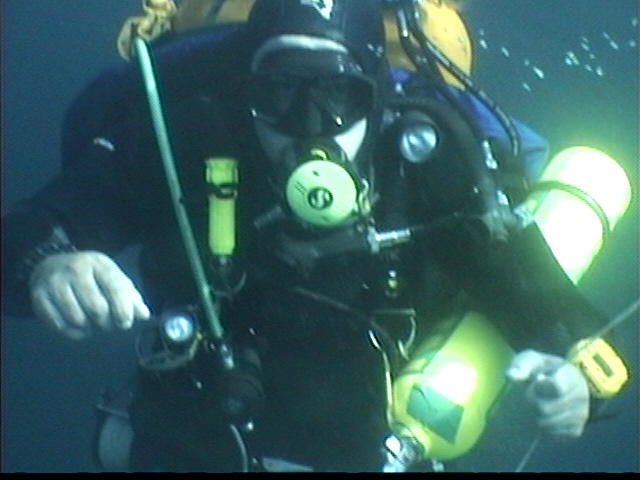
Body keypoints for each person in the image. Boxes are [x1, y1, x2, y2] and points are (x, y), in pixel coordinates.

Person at [1, 0, 628, 472]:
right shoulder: (188, 142)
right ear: (244, 92)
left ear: (377, 98)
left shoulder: (425, 161)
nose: (309, 128)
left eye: (338, 94)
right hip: (198, 440)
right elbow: (27, 230)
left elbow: (556, 312)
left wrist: (580, 389)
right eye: (279, 92)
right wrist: (48, 266)